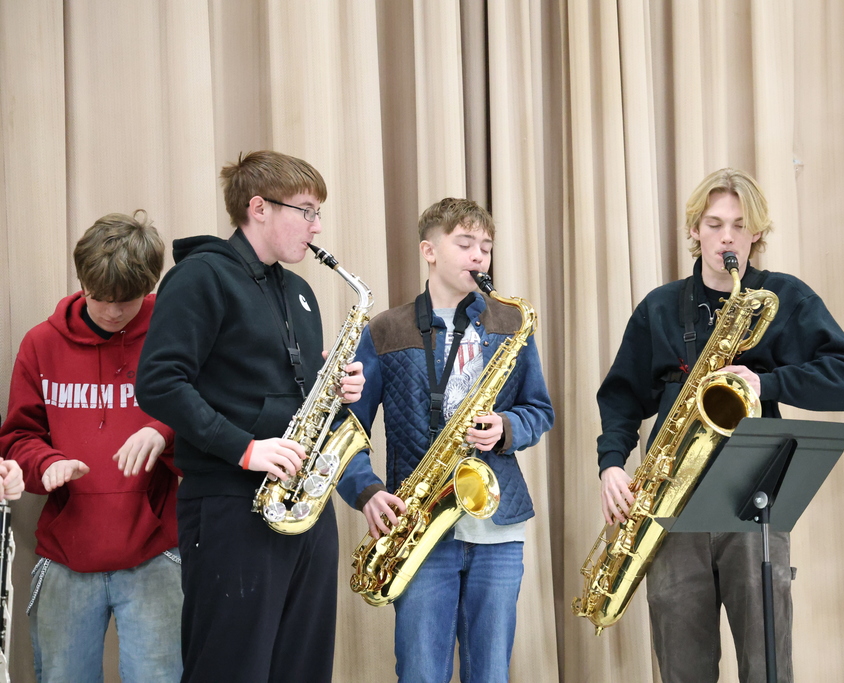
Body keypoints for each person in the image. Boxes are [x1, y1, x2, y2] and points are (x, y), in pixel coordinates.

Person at [595, 168, 844, 683]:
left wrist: (768, 383)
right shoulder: (659, 306)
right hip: (670, 507)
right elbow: (621, 397)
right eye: (715, 224)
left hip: (753, 502)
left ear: (757, 234)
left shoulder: (784, 298)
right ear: (695, 230)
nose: (727, 237)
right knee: (683, 667)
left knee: (767, 665)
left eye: (740, 226)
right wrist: (611, 465)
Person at [135, 151, 365, 682]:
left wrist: (335, 389)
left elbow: (285, 388)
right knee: (230, 669)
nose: (318, 225)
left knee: (303, 668)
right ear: (258, 208)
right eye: (306, 210)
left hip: (304, 506)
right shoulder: (200, 277)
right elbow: (158, 383)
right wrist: (244, 447)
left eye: (318, 213)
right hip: (232, 506)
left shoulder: (300, 292)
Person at [337, 197, 554, 683]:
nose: (479, 256)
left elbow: (540, 410)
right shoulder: (387, 329)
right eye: (465, 243)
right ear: (429, 251)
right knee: (420, 672)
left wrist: (508, 428)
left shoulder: (511, 322)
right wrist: (366, 491)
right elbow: (346, 428)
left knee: (491, 672)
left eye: (486, 246)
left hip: (497, 525)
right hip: (419, 528)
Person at [0, 210, 180, 682]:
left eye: (128, 299)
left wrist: (164, 432)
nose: (114, 312)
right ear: (81, 282)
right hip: (65, 553)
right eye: (100, 298)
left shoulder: (175, 335)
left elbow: (212, 420)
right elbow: (18, 438)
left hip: (157, 551)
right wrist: (47, 462)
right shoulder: (41, 344)